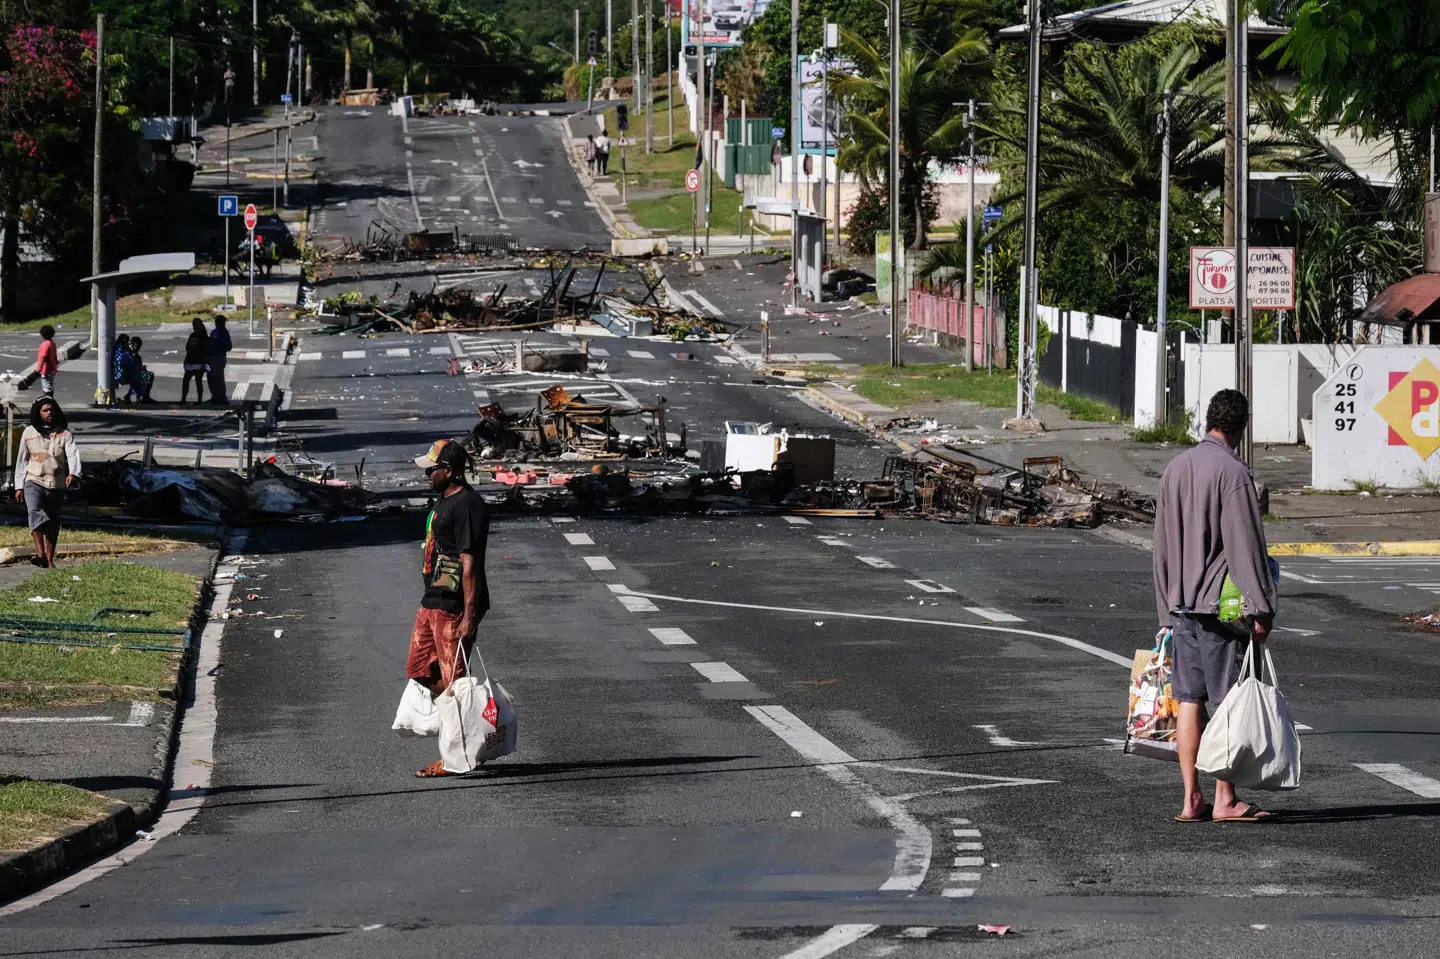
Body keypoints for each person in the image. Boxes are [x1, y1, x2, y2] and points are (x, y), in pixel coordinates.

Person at [1153, 388, 1278, 824]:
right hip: (1219, 612)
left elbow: (1161, 549)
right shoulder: (1234, 474)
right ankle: (1225, 799)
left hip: (1181, 607)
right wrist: (1262, 608)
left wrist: (1166, 609)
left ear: (1207, 420)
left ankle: (1191, 799)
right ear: (1241, 429)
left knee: (1189, 700)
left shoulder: (1175, 469)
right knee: (1227, 702)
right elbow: (1246, 549)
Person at [408, 438, 490, 779]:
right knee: (419, 669)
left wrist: (469, 617)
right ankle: (467, 725)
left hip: (454, 606)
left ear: (451, 471)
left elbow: (469, 563)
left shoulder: (468, 505)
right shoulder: (444, 500)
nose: (427, 473)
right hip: (432, 602)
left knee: (454, 682)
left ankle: (457, 755)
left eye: (433, 468)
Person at [13, 396, 80, 569]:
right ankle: (39, 553)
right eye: (45, 410)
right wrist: (19, 485)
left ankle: (49, 561)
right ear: (38, 413)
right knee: (34, 510)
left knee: (53, 521)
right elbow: (22, 460)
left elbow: (72, 455)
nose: (49, 413)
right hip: (33, 479)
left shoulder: (64, 434)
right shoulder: (28, 433)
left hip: (56, 483)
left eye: (51, 409)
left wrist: (73, 473)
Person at [122, 336, 156, 404]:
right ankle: (144, 397)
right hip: (126, 376)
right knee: (147, 376)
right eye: (137, 346)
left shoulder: (129, 353)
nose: (138, 349)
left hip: (127, 375)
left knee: (140, 376)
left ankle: (133, 396)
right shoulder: (130, 355)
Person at [182, 317, 209, 403]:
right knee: (185, 381)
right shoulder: (192, 335)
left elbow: (206, 351)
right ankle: (183, 399)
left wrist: (204, 364)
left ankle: (199, 400)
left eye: (195, 325)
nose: (194, 327)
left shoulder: (204, 336)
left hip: (199, 363)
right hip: (190, 361)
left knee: (198, 382)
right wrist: (185, 360)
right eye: (193, 325)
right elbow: (187, 348)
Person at [207, 314, 232, 404]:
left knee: (218, 378)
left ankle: (221, 398)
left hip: (219, 357)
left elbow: (229, 346)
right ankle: (215, 396)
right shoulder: (214, 332)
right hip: (212, 357)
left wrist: (219, 345)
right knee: (211, 378)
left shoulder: (224, 333)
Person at [35, 326, 58, 396]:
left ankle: (47, 404)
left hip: (45, 370)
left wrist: (38, 369)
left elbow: (43, 357)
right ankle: (50, 401)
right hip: (52, 369)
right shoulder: (52, 343)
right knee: (50, 386)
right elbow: (55, 356)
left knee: (46, 388)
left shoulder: (45, 344)